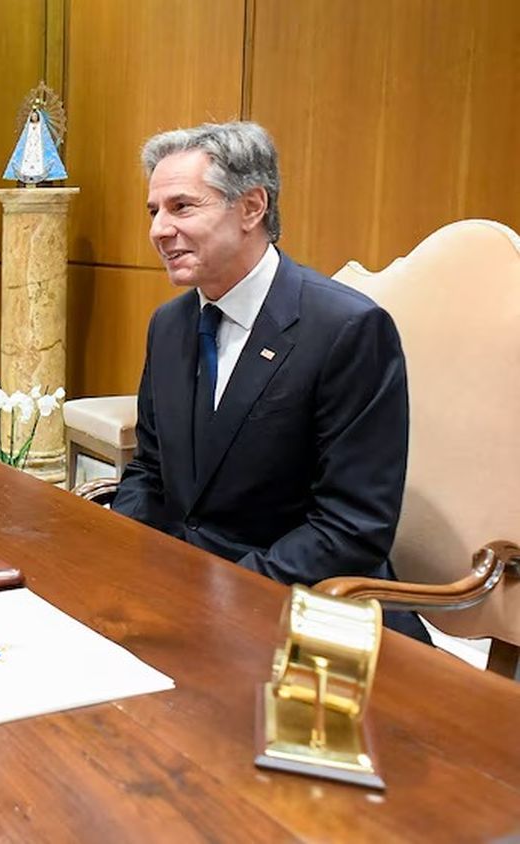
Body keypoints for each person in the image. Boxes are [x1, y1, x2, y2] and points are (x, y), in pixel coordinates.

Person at [110, 121, 429, 642]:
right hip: (182, 603)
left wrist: (219, 595)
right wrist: (129, 555)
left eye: (182, 207)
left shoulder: (347, 329)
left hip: (305, 614)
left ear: (252, 207)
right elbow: (149, 470)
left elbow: (351, 527)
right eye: (154, 211)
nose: (159, 230)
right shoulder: (168, 326)